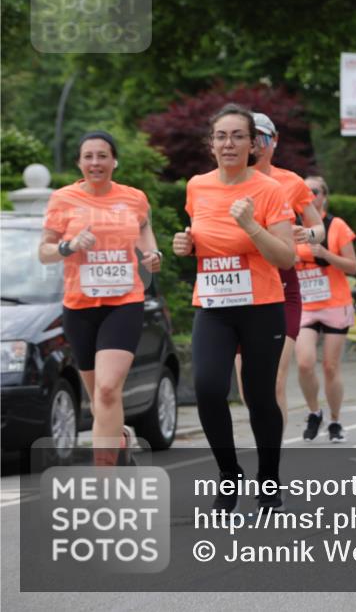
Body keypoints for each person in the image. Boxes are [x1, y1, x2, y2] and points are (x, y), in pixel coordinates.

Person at [173, 103, 296, 512]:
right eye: (221, 136)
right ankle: (229, 474)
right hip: (214, 305)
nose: (229, 143)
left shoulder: (269, 190)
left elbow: (286, 257)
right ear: (211, 144)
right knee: (208, 389)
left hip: (261, 306)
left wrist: (251, 226)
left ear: (253, 144)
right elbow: (203, 238)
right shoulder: (197, 187)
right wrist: (187, 245)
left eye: (238, 136)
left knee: (259, 397)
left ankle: (269, 478)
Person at [39, 131, 162, 465]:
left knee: (108, 389)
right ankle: (120, 439)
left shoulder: (134, 198)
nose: (96, 163)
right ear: (79, 163)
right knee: (99, 399)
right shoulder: (62, 200)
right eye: (89, 156)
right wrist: (69, 245)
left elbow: (145, 232)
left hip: (124, 303)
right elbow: (44, 252)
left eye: (102, 156)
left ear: (114, 161)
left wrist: (153, 255)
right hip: (79, 307)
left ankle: (104, 480)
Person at [235, 112, 326, 431]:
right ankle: (264, 440)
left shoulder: (291, 182)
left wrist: (308, 234)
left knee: (274, 379)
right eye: (252, 137)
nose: (258, 144)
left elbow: (319, 228)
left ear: (274, 141)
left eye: (264, 137)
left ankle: (273, 455)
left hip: (281, 284)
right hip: (240, 286)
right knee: (248, 386)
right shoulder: (225, 180)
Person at [295, 176, 356, 443]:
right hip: (305, 305)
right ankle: (314, 412)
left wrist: (325, 254)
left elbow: (352, 266)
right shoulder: (290, 225)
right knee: (304, 363)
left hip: (334, 303)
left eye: (315, 191)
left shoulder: (336, 226)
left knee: (331, 366)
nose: (310, 195)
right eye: (304, 191)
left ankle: (335, 420)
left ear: (324, 196)